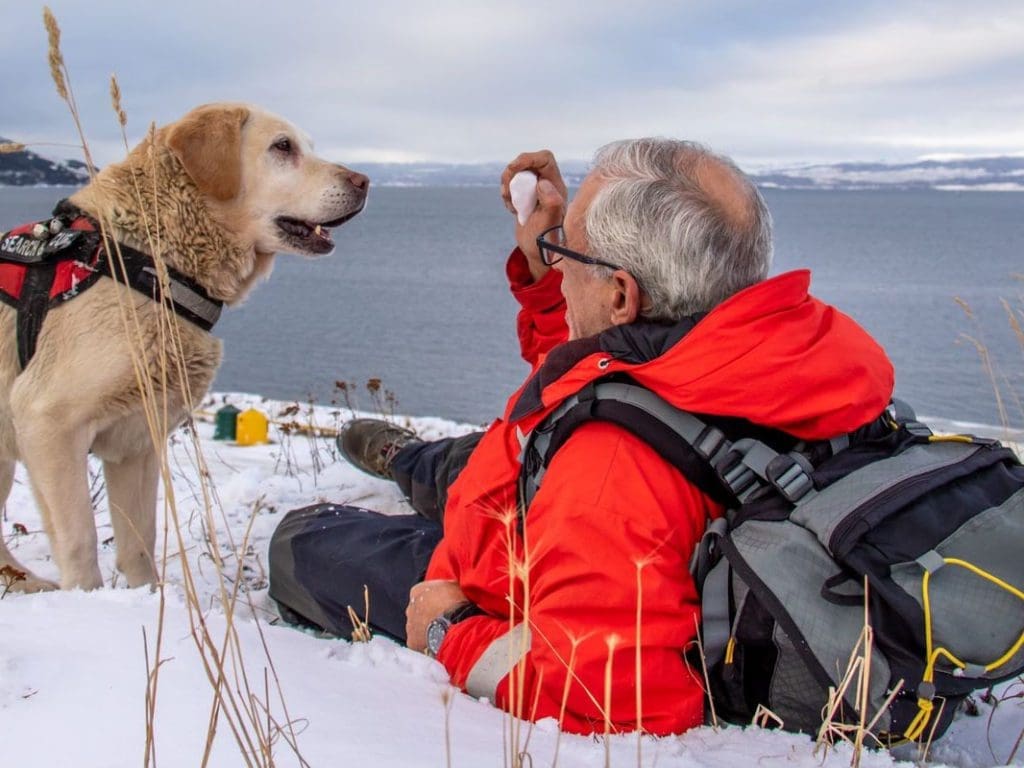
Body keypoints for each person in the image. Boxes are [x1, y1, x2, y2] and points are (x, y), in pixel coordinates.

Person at [268, 138, 894, 735]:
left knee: (302, 541)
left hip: (513, 560)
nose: (556, 257)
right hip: (555, 490)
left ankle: (415, 471)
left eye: (566, 247)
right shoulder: (758, 352)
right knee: (462, 461)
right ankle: (412, 460)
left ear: (621, 294)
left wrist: (448, 629)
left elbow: (603, 695)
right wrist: (547, 270)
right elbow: (592, 368)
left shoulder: (607, 475)